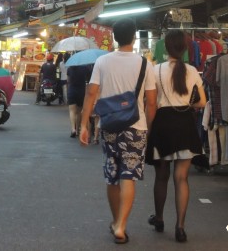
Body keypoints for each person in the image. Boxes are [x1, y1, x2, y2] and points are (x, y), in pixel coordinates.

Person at [79, 18, 157, 245]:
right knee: (128, 177)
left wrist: (84, 124)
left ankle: (116, 222)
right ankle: (121, 225)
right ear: (134, 37)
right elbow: (151, 102)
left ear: (114, 37)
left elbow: (91, 93)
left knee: (112, 176)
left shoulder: (102, 62)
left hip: (109, 126)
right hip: (136, 127)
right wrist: (149, 129)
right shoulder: (145, 64)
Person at [146, 29, 207, 243]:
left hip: (162, 124)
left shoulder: (155, 70)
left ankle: (159, 218)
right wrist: (187, 104)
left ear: (165, 47)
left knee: (161, 176)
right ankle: (180, 227)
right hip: (185, 125)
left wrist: (149, 129)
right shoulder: (191, 71)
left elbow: (150, 103)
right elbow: (202, 102)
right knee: (181, 178)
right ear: (184, 48)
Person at [66, 62, 92, 138]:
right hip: (81, 91)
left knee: (72, 111)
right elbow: (89, 79)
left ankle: (73, 129)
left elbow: (68, 80)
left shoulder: (70, 68)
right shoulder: (85, 68)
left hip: (71, 90)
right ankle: (77, 130)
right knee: (79, 111)